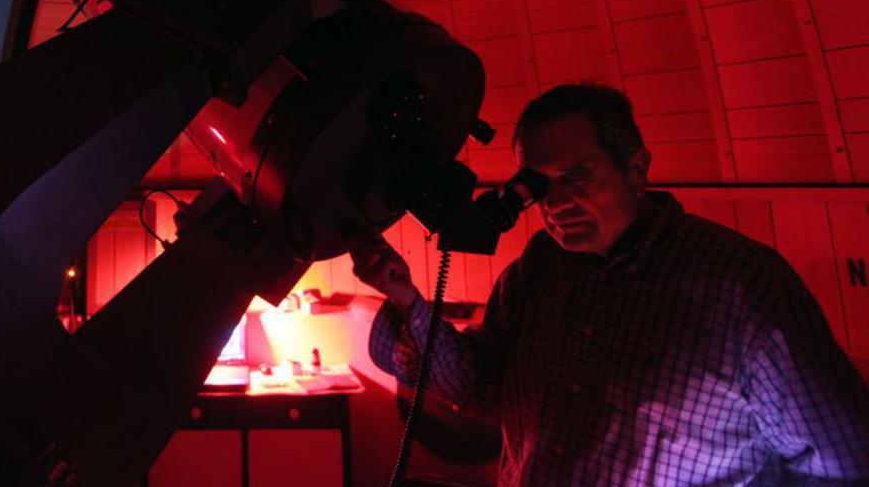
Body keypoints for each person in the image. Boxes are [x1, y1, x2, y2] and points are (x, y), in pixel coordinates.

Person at [352, 83, 869, 483]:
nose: (555, 206)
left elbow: (842, 461)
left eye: (578, 175)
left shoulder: (742, 286)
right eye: (539, 184)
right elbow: (482, 386)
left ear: (637, 168)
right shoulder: (541, 267)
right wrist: (405, 296)